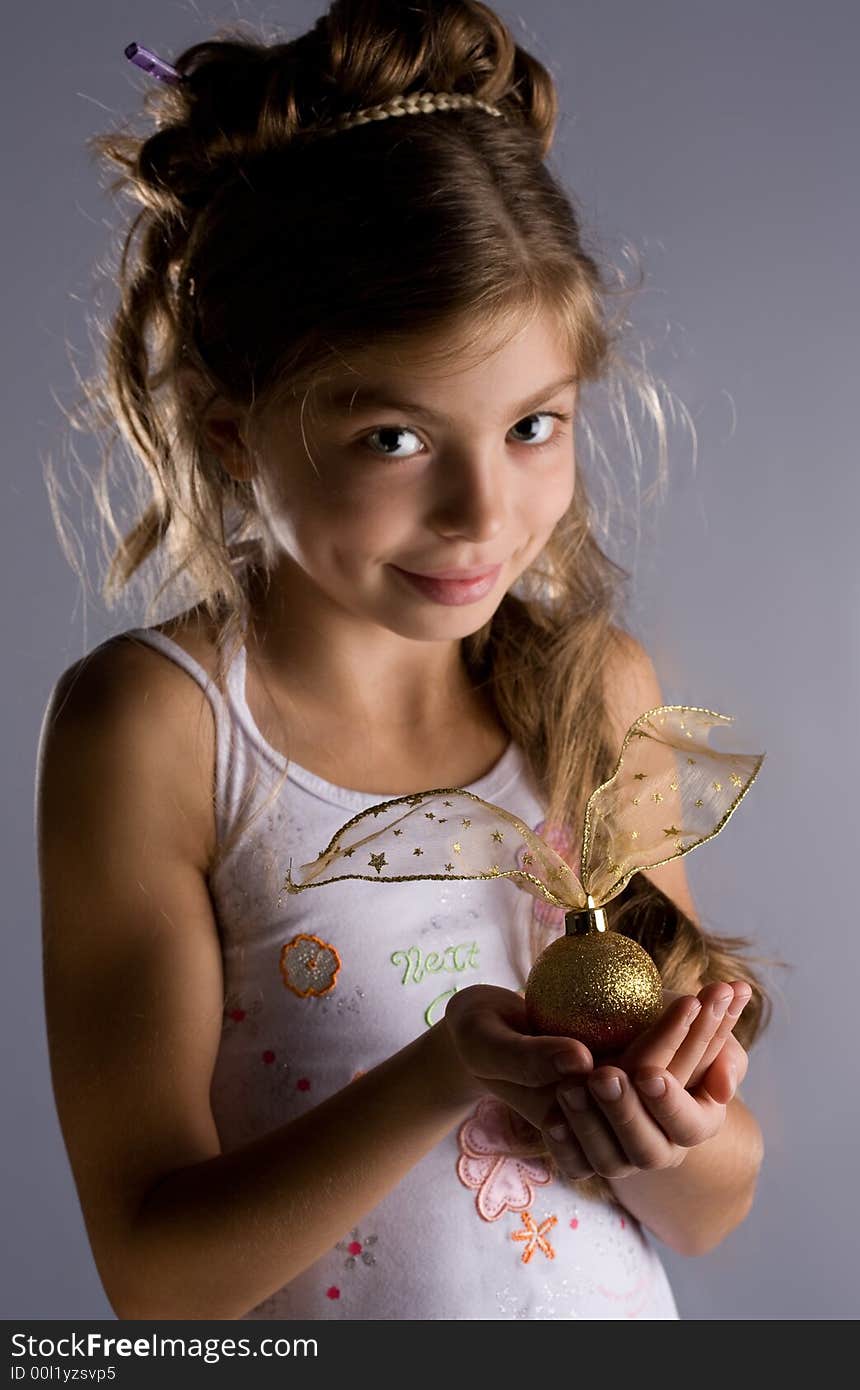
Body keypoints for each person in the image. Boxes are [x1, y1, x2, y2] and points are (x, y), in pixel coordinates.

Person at [36, 0, 771, 1321]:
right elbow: (158, 1279)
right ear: (232, 434)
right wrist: (447, 1069)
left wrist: (671, 1125)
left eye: (534, 424)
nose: (485, 513)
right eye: (395, 438)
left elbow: (714, 1205)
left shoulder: (597, 694)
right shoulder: (160, 730)